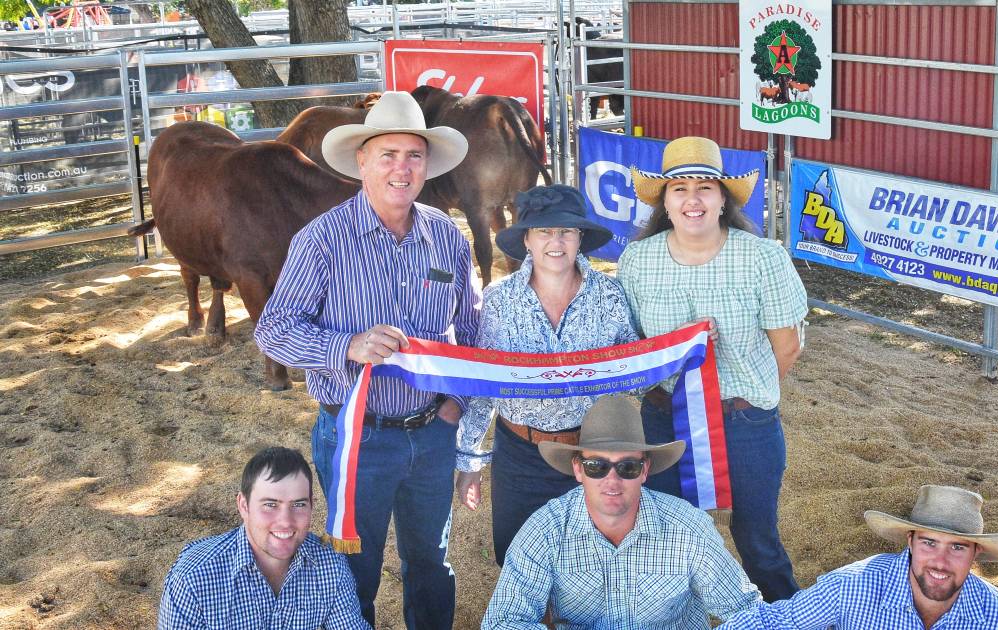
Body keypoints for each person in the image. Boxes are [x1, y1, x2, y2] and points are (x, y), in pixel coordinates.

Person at [254, 90, 479, 629]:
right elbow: (273, 330)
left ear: (427, 164)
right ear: (361, 162)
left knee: (432, 561)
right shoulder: (322, 240)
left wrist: (454, 403)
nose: (401, 168)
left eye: (414, 156)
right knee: (355, 570)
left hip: (431, 433)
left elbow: (471, 332)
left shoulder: (448, 238)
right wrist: (345, 346)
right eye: (388, 155)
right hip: (358, 437)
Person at [616, 136, 808, 602]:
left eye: (705, 187)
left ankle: (784, 614)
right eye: (680, 189)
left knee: (757, 540)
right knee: (665, 538)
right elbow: (635, 346)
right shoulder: (637, 261)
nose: (693, 199)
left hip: (745, 420)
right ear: (665, 201)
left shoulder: (763, 257)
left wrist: (740, 396)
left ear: (724, 198)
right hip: (663, 420)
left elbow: (787, 345)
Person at [453, 183, 639, 564]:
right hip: (519, 453)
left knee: (587, 563)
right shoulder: (499, 299)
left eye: (567, 230)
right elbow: (486, 384)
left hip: (589, 454)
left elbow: (636, 371)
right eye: (544, 231)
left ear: (580, 238)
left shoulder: (609, 294)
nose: (557, 241)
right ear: (526, 241)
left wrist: (685, 348)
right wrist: (470, 461)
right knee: (518, 558)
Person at [482, 396, 762, 628]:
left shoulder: (688, 528)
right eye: (597, 467)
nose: (612, 481)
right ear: (578, 469)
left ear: (645, 470)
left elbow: (747, 611)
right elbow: (503, 621)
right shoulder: (545, 530)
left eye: (628, 467)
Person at [718, 485, 998, 629]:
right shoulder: (853, 586)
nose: (940, 561)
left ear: (976, 554)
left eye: (957, 547)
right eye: (929, 543)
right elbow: (774, 622)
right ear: (910, 541)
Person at [158, 447, 369, 629]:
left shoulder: (330, 566)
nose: (285, 521)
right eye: (270, 505)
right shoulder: (192, 579)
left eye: (298, 504)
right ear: (243, 505)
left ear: (312, 505)